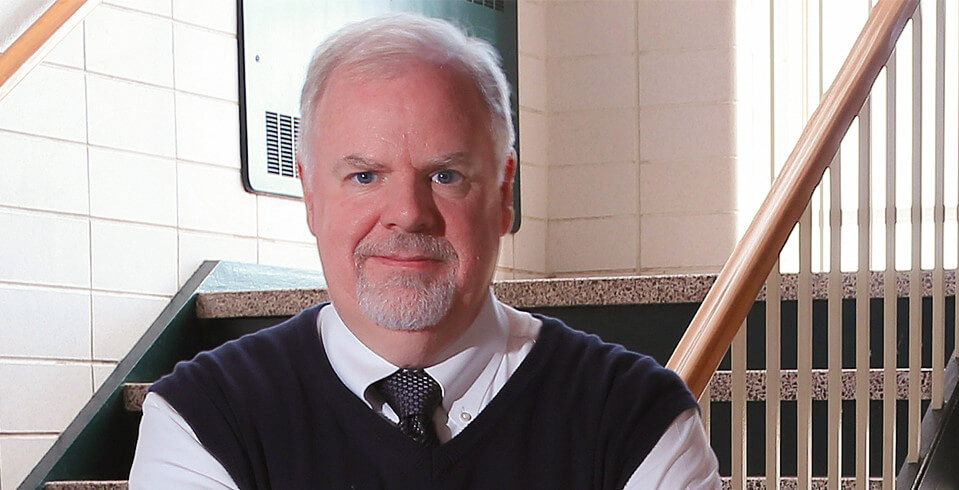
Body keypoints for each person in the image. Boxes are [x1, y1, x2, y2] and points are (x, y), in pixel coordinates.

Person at [129, 12, 719, 489]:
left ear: (504, 194)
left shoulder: (636, 417)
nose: (409, 213)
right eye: (365, 176)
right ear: (310, 195)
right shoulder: (204, 417)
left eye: (444, 175)